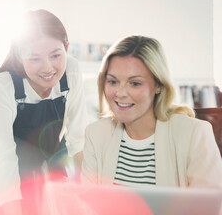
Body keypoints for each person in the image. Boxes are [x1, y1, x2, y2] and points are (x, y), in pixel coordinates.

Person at [0, 9, 88, 214]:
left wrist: (82, 196)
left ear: (66, 47)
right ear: (20, 57)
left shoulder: (72, 70)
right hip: (8, 167)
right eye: (35, 59)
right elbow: (5, 156)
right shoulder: (5, 84)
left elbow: (77, 140)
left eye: (56, 55)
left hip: (52, 156)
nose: (48, 68)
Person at [81, 35, 222, 189]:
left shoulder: (195, 134)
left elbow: (208, 209)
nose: (120, 93)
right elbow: (87, 206)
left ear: (159, 85)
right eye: (113, 81)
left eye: (135, 83)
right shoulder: (95, 134)